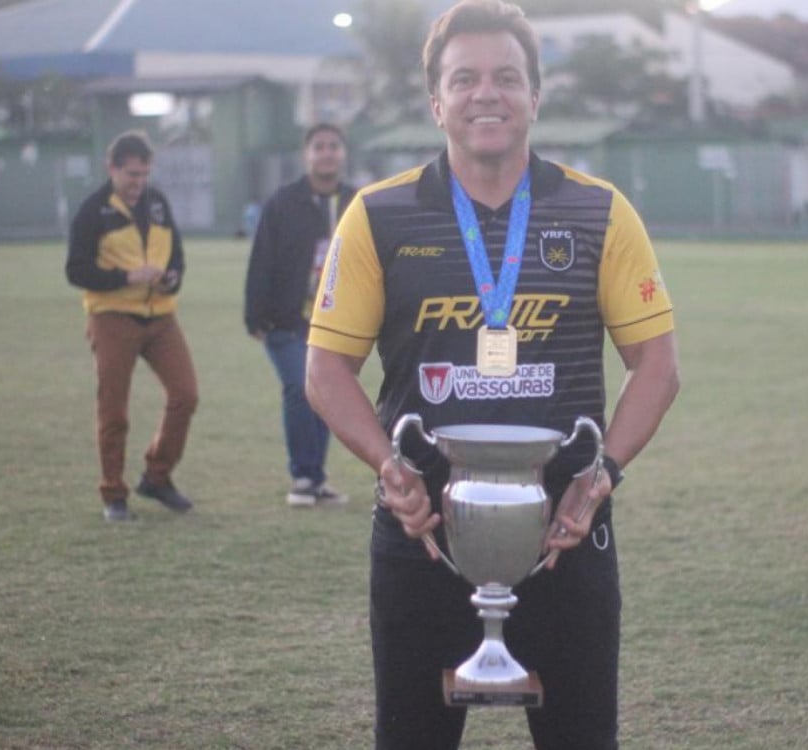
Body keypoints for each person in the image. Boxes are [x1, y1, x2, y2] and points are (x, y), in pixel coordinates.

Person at [304, 1, 679, 747]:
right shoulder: (378, 215)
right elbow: (325, 370)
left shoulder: (598, 212)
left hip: (565, 535)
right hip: (423, 536)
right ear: (435, 101)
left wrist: (599, 475)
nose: (487, 94)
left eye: (507, 77)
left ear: (535, 96)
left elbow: (658, 367)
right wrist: (389, 468)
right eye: (464, 78)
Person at [65, 130, 198, 522]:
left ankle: (157, 476)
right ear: (112, 169)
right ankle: (113, 492)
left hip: (160, 316)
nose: (139, 182)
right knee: (114, 409)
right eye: (131, 174)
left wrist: (172, 277)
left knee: (186, 395)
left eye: (144, 174)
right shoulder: (93, 210)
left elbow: (177, 256)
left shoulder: (157, 203)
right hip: (112, 317)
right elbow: (76, 270)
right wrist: (127, 277)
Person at [244, 123, 355, 507]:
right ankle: (302, 477)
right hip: (287, 321)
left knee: (325, 394)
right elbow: (262, 258)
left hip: (335, 322)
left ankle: (315, 479)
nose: (326, 153)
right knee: (299, 388)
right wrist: (255, 316)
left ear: (343, 153)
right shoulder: (283, 202)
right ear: (306, 155)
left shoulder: (356, 202)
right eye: (319, 146)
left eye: (333, 146)